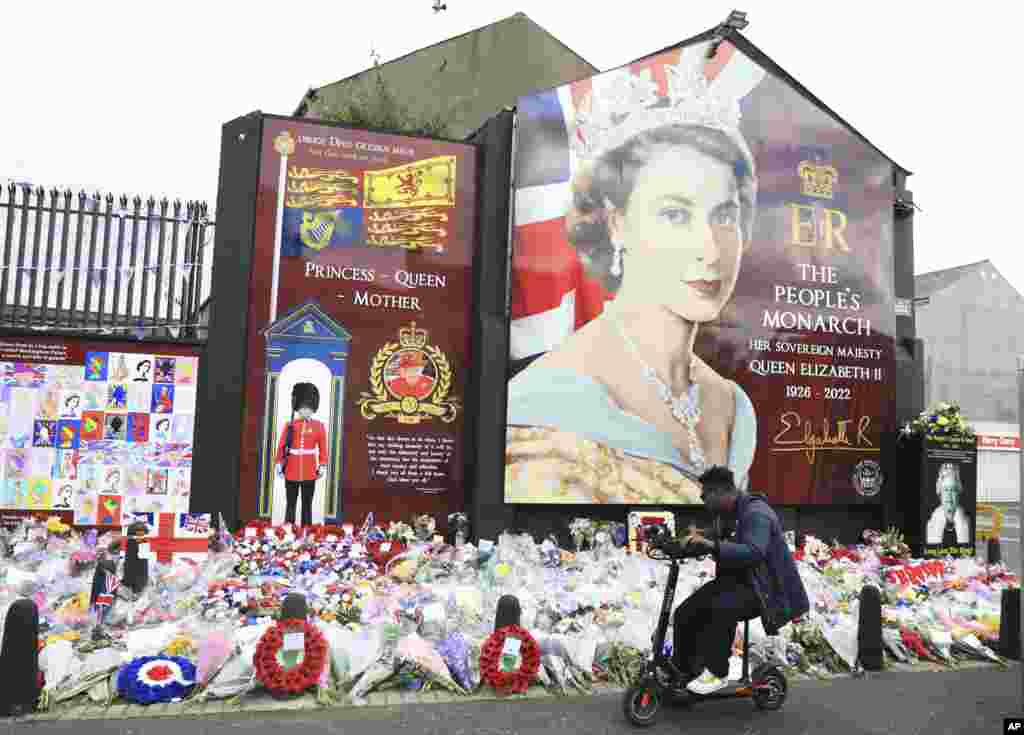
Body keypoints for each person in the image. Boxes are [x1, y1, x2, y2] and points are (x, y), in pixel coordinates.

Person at [505, 64, 758, 505]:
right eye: (675, 214)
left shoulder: (731, 403)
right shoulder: (546, 399)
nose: (709, 249)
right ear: (616, 223)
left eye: (723, 216)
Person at [671, 466, 808, 695]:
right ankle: (684, 670)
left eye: (705, 496)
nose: (703, 501)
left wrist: (712, 545)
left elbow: (754, 551)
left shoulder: (756, 513)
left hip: (764, 590)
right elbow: (712, 539)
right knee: (686, 611)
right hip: (740, 582)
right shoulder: (726, 515)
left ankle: (717, 672)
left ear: (720, 492)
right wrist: (682, 545)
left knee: (720, 607)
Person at [275, 382, 327, 527]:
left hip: (310, 470)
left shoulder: (319, 426)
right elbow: (282, 445)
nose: (306, 411)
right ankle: (288, 530)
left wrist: (322, 465)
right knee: (290, 503)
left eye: (308, 408)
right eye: (303, 408)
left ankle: (307, 530)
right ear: (298, 408)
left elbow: (323, 447)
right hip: (291, 469)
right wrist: (279, 463)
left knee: (307, 504)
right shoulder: (290, 425)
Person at [925, 462, 970, 545]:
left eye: (953, 490)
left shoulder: (967, 522)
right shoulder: (931, 524)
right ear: (940, 493)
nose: (949, 497)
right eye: (945, 490)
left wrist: (963, 528)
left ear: (958, 493)